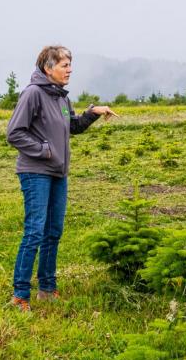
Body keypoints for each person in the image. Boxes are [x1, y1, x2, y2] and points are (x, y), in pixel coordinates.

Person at [6, 45, 117, 311]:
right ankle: (20, 294)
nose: (70, 69)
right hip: (35, 172)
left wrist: (93, 113)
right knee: (34, 231)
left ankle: (47, 288)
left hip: (58, 172)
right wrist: (44, 150)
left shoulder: (61, 98)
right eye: (64, 65)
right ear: (48, 68)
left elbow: (72, 126)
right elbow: (15, 133)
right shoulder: (33, 94)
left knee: (53, 231)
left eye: (70, 64)